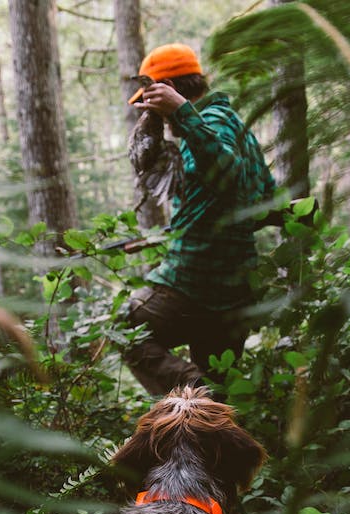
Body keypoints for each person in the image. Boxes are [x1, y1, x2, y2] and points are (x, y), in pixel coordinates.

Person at [121, 43, 277, 396]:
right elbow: (264, 198)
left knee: (125, 330)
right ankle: (212, 412)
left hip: (194, 282)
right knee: (213, 410)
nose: (150, 112)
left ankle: (197, 388)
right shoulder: (235, 125)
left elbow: (227, 171)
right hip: (235, 289)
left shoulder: (207, 124)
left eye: (151, 101)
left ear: (168, 92)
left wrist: (183, 113)